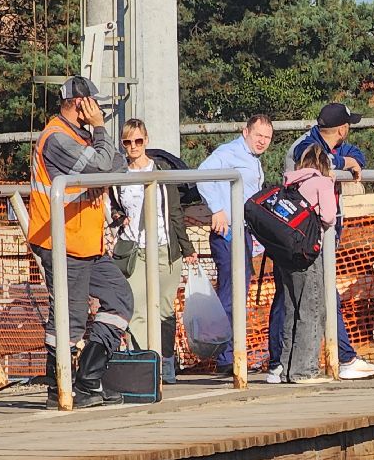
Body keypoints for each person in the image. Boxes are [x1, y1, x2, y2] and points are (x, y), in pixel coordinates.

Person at [27, 76, 132, 407]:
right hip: (61, 241)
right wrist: (100, 131)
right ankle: (59, 387)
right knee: (68, 319)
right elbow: (101, 165)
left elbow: (117, 165)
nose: (98, 110)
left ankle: (89, 380)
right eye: (94, 104)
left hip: (88, 242)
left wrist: (99, 137)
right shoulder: (57, 138)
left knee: (119, 299)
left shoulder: (81, 137)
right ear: (79, 104)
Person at [272, 102, 374, 381]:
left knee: (312, 297)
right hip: (304, 233)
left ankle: (291, 364)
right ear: (342, 128)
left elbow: (360, 156)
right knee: (306, 299)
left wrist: (345, 159)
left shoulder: (332, 145)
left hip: (318, 232)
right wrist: (345, 163)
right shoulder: (305, 145)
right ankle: (315, 361)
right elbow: (313, 161)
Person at [111, 119, 194, 382]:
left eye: (138, 141)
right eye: (127, 142)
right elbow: (113, 206)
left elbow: (175, 213)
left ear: (146, 140)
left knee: (164, 310)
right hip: (134, 250)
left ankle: (165, 361)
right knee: (136, 309)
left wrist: (186, 246)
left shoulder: (162, 173)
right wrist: (117, 216)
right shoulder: (119, 177)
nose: (133, 146)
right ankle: (144, 363)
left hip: (163, 248)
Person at [198, 113, 273, 373]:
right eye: (258, 136)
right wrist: (217, 210)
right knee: (231, 295)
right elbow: (202, 174)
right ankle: (226, 356)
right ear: (245, 132)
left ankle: (232, 352)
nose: (262, 141)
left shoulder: (253, 159)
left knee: (238, 292)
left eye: (267, 137)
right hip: (228, 234)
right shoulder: (229, 152)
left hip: (244, 234)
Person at [273, 144, 340, 383]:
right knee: (312, 309)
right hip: (307, 253)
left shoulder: (289, 183)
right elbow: (329, 217)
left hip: (285, 253)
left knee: (292, 309)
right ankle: (305, 370)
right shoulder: (322, 182)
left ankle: (287, 367)